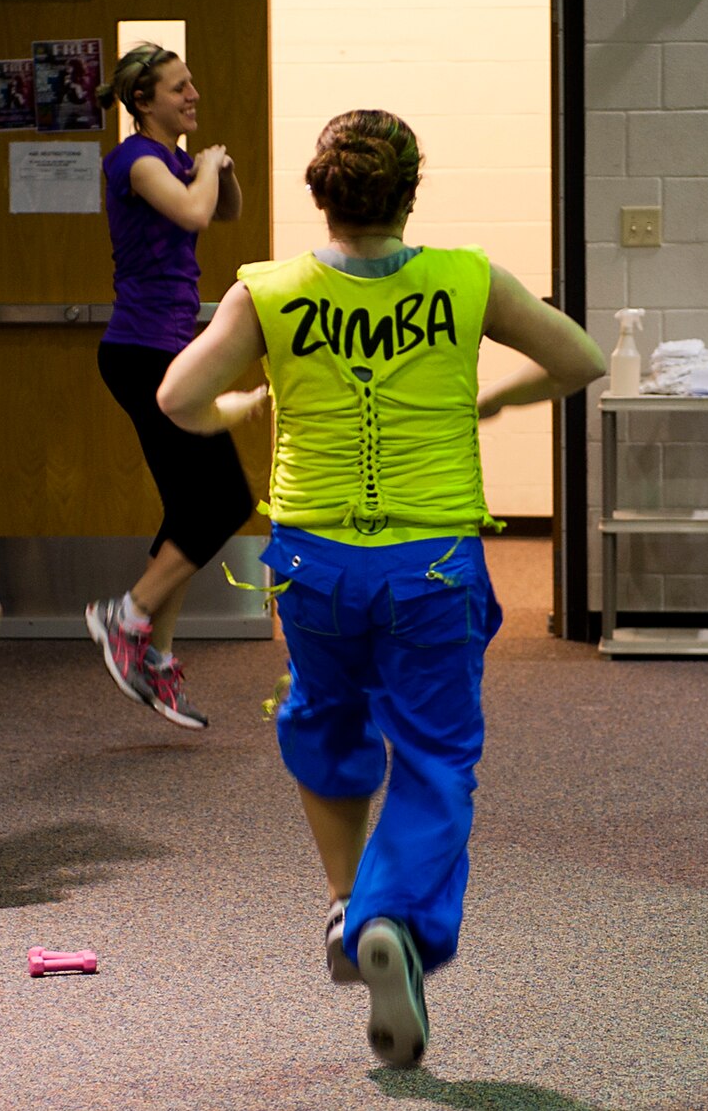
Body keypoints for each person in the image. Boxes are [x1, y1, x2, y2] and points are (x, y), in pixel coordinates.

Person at [157, 109, 604, 1069]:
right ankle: (386, 915)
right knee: (437, 758)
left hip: (312, 562)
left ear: (321, 196)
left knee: (325, 719)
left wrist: (247, 400)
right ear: (411, 192)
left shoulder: (270, 291)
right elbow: (581, 358)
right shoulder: (465, 278)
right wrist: (495, 396)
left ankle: (343, 901)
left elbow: (178, 399)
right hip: (431, 563)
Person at [82, 43, 251, 730]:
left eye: (192, 83)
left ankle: (154, 651)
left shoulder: (177, 161)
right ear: (143, 101)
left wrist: (220, 169)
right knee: (224, 500)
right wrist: (205, 171)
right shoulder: (137, 161)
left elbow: (225, 209)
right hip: (142, 356)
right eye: (179, 88)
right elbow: (192, 214)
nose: (193, 95)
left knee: (192, 506)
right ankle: (125, 617)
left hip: (173, 354)